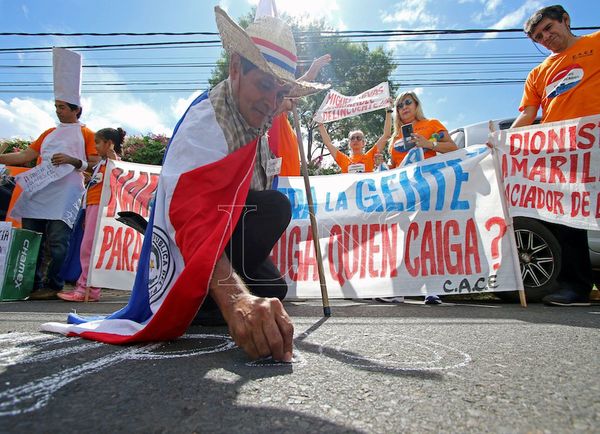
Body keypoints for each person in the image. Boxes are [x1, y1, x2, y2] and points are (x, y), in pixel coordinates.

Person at [41, 7, 327, 363]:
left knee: (274, 288)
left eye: (279, 90)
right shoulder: (206, 123)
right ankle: (205, 298)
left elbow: (280, 104)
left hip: (229, 223)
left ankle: (215, 295)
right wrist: (236, 300)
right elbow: (191, 215)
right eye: (265, 85)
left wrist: (291, 90)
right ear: (235, 68)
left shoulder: (260, 108)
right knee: (274, 207)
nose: (271, 102)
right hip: (194, 236)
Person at [512, 4, 600, 306]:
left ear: (566, 20)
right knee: (567, 220)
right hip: (563, 154)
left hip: (596, 143)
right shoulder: (538, 73)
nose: (545, 37)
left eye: (549, 28)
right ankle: (577, 287)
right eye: (538, 36)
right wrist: (503, 139)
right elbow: (528, 114)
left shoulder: (596, 43)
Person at [0, 48, 99, 300]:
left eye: (63, 107)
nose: (58, 111)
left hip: (65, 194)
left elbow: (95, 161)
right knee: (32, 239)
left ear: (76, 109)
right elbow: (25, 156)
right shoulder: (47, 133)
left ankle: (53, 284)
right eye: (56, 106)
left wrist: (72, 160)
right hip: (37, 191)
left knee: (58, 242)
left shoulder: (87, 134)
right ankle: (27, 285)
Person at [51, 128, 125, 303]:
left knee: (90, 249)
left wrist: (112, 154)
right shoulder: (101, 164)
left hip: (101, 208)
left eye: (98, 142)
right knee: (87, 248)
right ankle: (85, 287)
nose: (95, 146)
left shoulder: (113, 162)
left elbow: (118, 173)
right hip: (91, 207)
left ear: (108, 143)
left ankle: (88, 289)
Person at [268, 54, 331, 176]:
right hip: (276, 183)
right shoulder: (269, 115)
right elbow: (287, 91)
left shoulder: (284, 121)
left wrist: (310, 75)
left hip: (290, 184)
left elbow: (291, 89)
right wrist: (308, 76)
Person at [388, 91, 457, 169]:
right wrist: (380, 164)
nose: (404, 107)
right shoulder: (395, 137)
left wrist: (429, 144)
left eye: (408, 102)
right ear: (397, 111)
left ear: (416, 104)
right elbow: (393, 166)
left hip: (428, 177)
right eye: (400, 106)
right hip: (403, 179)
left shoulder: (432, 123)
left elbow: (454, 148)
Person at [316, 104, 393, 173]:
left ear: (363, 143)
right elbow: (328, 144)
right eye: (352, 138)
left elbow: (386, 135)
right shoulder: (343, 159)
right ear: (349, 143)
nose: (355, 140)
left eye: (358, 138)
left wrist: (388, 111)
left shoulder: (370, 156)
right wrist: (320, 124)